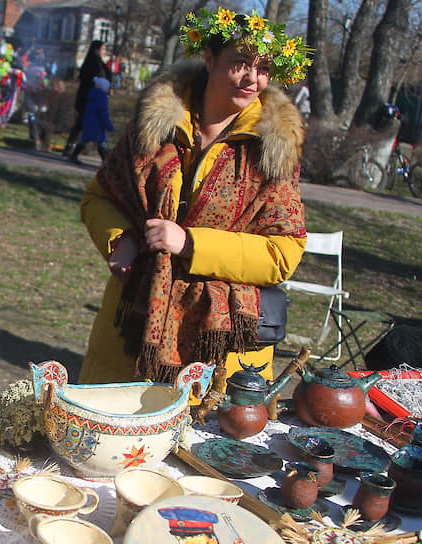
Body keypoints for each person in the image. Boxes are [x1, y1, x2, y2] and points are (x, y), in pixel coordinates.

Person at [77, 8, 310, 387]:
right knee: (116, 439)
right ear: (208, 59)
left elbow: (283, 253)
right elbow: (98, 197)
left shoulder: (272, 150)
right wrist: (120, 240)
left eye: (263, 68)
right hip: (130, 332)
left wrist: (190, 243)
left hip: (219, 350)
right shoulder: (156, 127)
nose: (253, 79)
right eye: (239, 63)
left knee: (192, 445)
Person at [62, 40, 110, 157]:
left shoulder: (100, 63)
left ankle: (71, 149)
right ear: (96, 49)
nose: (104, 51)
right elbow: (90, 79)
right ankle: (103, 153)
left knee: (83, 124)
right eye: (103, 49)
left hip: (95, 99)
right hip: (88, 98)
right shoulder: (91, 63)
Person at [70, 76, 114, 164]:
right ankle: (105, 161)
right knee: (101, 142)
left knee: (85, 139)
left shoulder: (92, 95)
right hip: (97, 125)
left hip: (88, 122)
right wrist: (108, 125)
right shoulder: (102, 98)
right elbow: (103, 113)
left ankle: (74, 155)